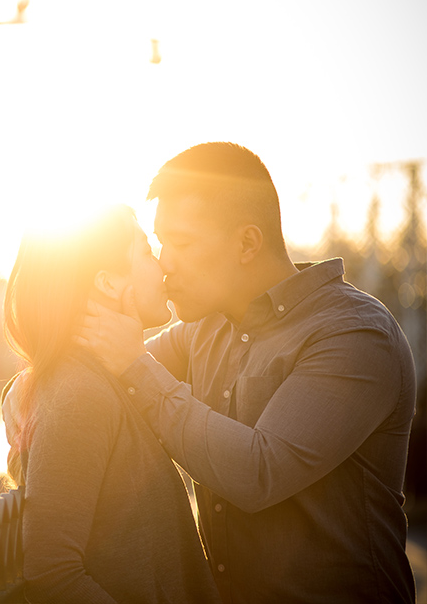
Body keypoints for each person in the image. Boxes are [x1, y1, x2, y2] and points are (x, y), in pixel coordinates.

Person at [70, 142, 417, 603]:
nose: (164, 262)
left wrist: (135, 363)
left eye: (183, 242)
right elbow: (102, 374)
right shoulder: (204, 328)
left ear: (247, 243)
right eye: (160, 242)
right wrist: (39, 380)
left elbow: (259, 473)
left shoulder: (353, 335)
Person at [1, 204, 222, 603]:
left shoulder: (107, 376)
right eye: (146, 252)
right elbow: (52, 573)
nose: (163, 267)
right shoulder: (80, 392)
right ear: (107, 282)